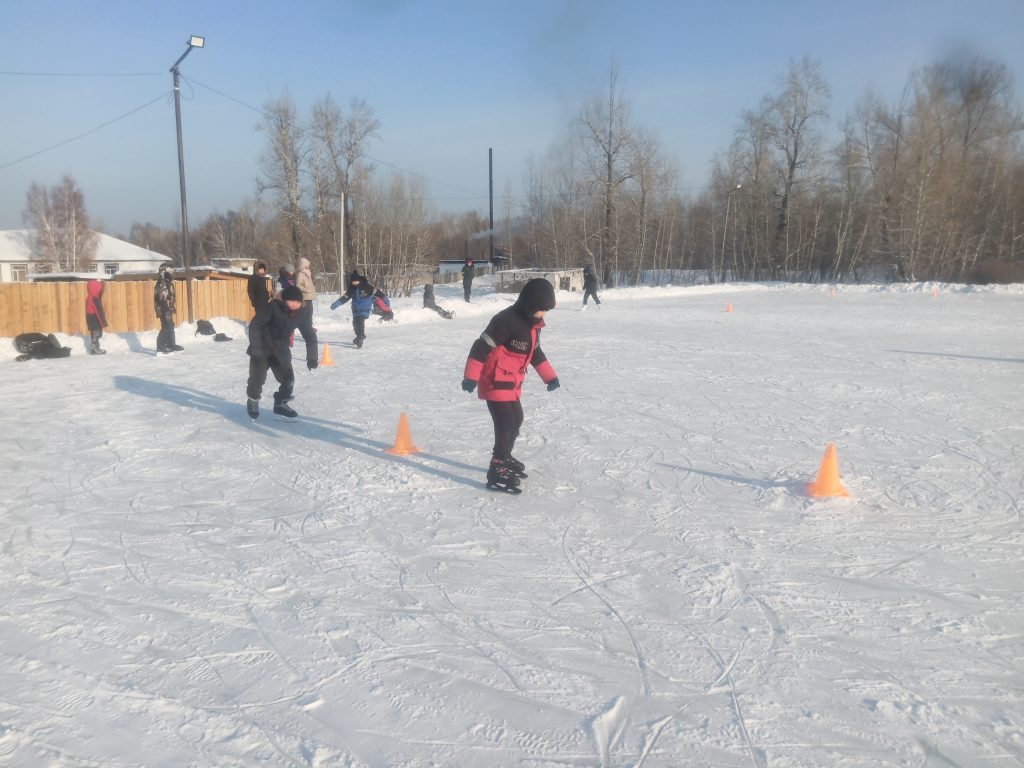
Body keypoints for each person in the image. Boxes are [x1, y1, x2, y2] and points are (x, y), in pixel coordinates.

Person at [461, 277, 560, 493]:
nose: (544, 314)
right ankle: (497, 467)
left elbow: (535, 353)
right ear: (530, 304)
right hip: (494, 380)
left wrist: (550, 377)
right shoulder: (505, 320)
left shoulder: (534, 326)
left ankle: (504, 457)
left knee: (516, 419)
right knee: (506, 422)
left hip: (511, 382)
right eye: (542, 309)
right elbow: (480, 347)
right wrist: (471, 377)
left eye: (547, 310)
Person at [245, 285, 319, 421]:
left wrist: (312, 357)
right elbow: (255, 325)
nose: (295, 304)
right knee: (257, 378)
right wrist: (256, 347)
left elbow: (309, 334)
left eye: (297, 302)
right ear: (284, 299)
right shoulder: (273, 307)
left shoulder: (301, 314)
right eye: (291, 301)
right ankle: (253, 400)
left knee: (288, 380)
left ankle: (280, 404)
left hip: (281, 350)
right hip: (262, 347)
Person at [330, 270, 375, 348]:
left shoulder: (366, 286)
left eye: (356, 281)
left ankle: (360, 337)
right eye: (353, 282)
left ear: (359, 280)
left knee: (360, 322)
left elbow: (377, 293)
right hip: (356, 310)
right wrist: (335, 305)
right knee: (355, 324)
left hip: (365, 309)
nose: (354, 283)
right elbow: (344, 298)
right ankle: (360, 336)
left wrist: (381, 301)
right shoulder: (351, 289)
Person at [154, 264, 183, 354]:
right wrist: (166, 310)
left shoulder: (167, 283)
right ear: (164, 272)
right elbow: (162, 298)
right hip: (164, 309)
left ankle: (171, 344)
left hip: (167, 308)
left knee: (170, 325)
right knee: (166, 326)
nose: (172, 274)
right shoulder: (162, 283)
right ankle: (160, 346)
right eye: (170, 272)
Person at [85, 278, 108, 355]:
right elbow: (98, 311)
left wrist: (102, 284)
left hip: (92, 319)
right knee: (96, 334)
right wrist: (103, 322)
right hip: (95, 319)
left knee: (95, 334)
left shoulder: (91, 297)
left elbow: (100, 295)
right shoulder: (94, 298)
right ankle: (95, 349)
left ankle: (95, 348)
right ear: (96, 288)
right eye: (99, 287)